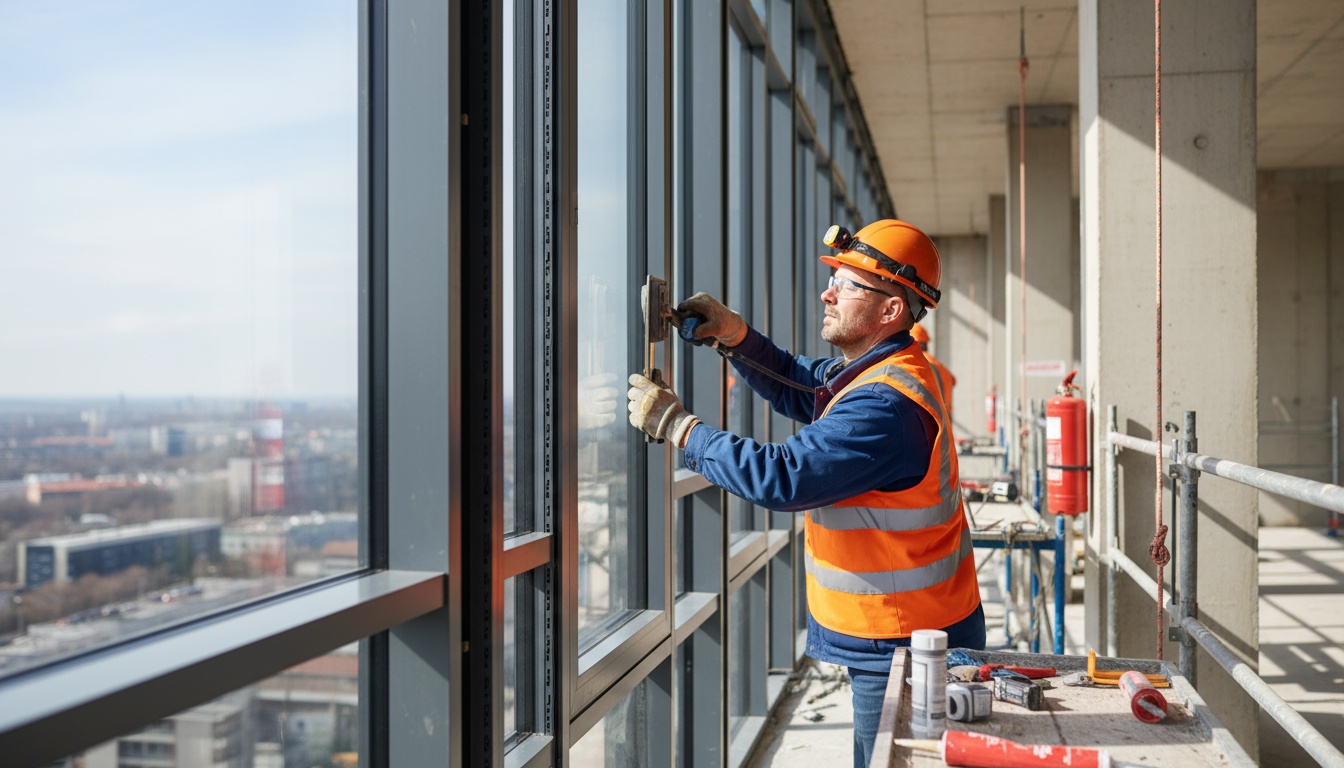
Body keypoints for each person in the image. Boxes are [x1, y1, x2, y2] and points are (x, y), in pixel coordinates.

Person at [626, 219, 985, 767]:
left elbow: (783, 476)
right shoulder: (880, 372)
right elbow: (804, 383)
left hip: (906, 642)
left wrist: (680, 428)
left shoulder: (885, 407)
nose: (828, 291)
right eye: (835, 278)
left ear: (891, 311)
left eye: (848, 283)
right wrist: (735, 335)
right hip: (912, 626)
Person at [911, 322, 956, 419]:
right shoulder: (939, 365)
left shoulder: (916, 362)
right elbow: (953, 380)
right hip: (946, 417)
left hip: (929, 418)